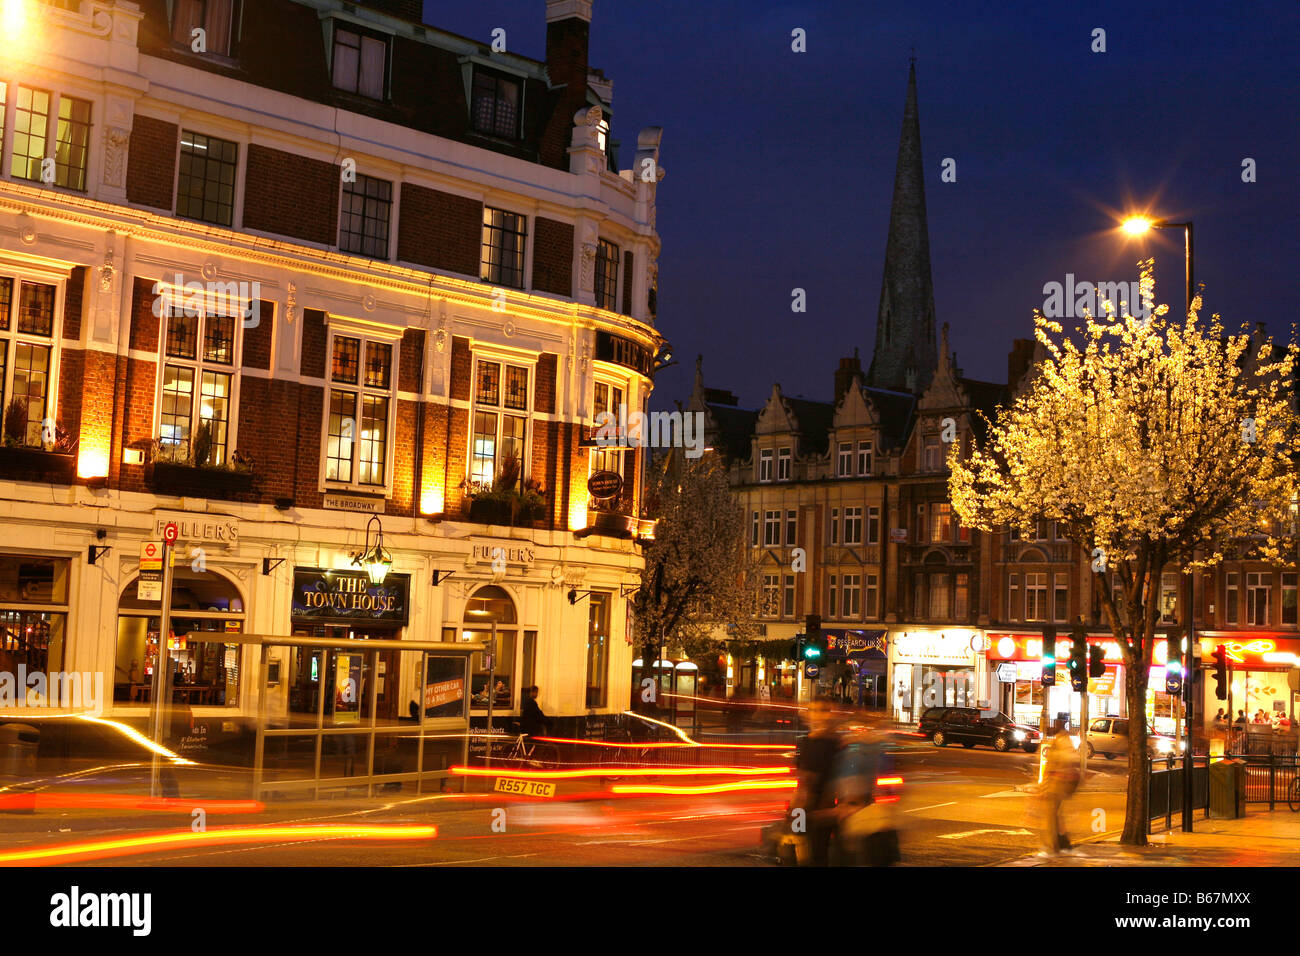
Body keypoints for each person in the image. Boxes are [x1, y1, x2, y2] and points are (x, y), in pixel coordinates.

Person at [794, 698, 843, 866]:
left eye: (822, 710)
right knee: (798, 851)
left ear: (829, 715)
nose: (816, 715)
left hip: (821, 808)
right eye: (812, 710)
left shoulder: (832, 742)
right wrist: (794, 811)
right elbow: (802, 777)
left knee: (817, 854)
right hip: (803, 808)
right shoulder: (807, 741)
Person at [1034, 731, 1080, 857]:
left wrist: (1043, 788)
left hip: (1056, 785)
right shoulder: (1068, 744)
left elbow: (1050, 768)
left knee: (1051, 815)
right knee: (1057, 814)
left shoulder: (1057, 744)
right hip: (1065, 785)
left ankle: (1053, 845)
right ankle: (1064, 842)